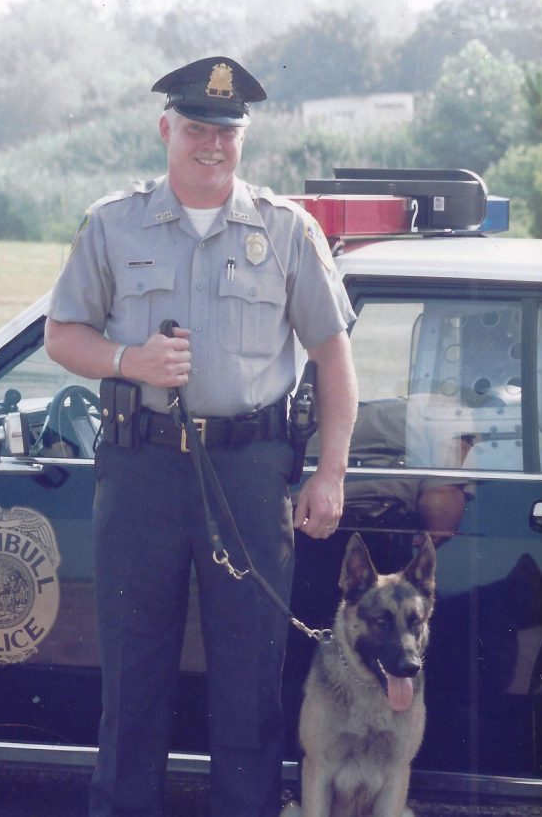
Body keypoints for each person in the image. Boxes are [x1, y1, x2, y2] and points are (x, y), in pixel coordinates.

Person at [45, 56, 358, 817]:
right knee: (133, 672)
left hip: (249, 472)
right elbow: (62, 334)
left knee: (250, 679)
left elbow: (333, 354)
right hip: (141, 470)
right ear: (166, 130)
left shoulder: (286, 230)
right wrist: (130, 361)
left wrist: (331, 472)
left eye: (227, 131)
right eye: (196, 129)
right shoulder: (113, 223)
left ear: (242, 137)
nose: (212, 145)